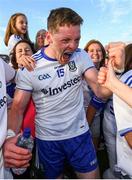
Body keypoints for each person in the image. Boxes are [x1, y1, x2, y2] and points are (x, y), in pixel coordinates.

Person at [5, 7, 116, 179]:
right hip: (48, 140)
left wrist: (115, 74)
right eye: (65, 40)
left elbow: (100, 92)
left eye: (77, 39)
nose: (73, 46)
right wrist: (10, 137)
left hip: (79, 136)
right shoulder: (30, 67)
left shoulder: (81, 56)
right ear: (49, 37)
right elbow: (18, 108)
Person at [98, 42, 132, 178]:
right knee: (113, 156)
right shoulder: (127, 80)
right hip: (111, 120)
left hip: (117, 122)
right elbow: (99, 96)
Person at [83, 39, 106, 149]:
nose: (96, 53)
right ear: (85, 53)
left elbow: (101, 98)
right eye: (91, 50)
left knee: (93, 149)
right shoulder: (78, 71)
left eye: (99, 50)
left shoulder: (106, 73)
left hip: (96, 116)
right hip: (77, 116)